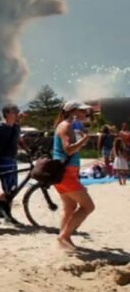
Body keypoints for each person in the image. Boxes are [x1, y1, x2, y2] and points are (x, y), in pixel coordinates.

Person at [52, 101, 95, 250]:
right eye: (83, 111)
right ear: (73, 112)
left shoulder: (66, 125)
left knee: (69, 206)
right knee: (88, 207)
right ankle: (64, 236)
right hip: (66, 173)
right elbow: (68, 150)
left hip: (64, 173)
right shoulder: (66, 126)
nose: (85, 114)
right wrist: (84, 140)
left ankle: (62, 241)